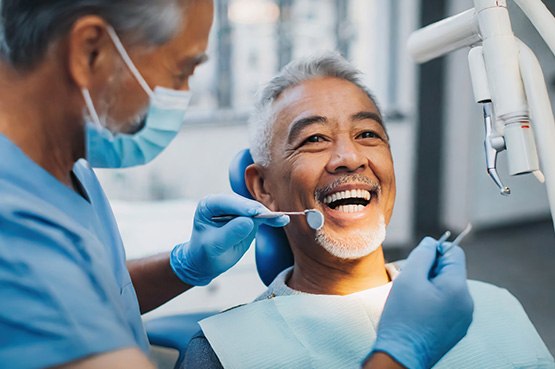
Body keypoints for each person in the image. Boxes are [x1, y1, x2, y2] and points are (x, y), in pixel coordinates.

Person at [0, 1, 471, 368]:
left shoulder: (65, 169)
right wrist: (402, 353)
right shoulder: (14, 231)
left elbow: (89, 298)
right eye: (181, 70)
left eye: (368, 133)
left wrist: (186, 266)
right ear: (91, 52)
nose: (349, 157)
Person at [183, 53, 555, 369]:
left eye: (368, 134)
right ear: (264, 188)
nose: (350, 158)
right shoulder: (223, 354)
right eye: (314, 139)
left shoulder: (495, 305)